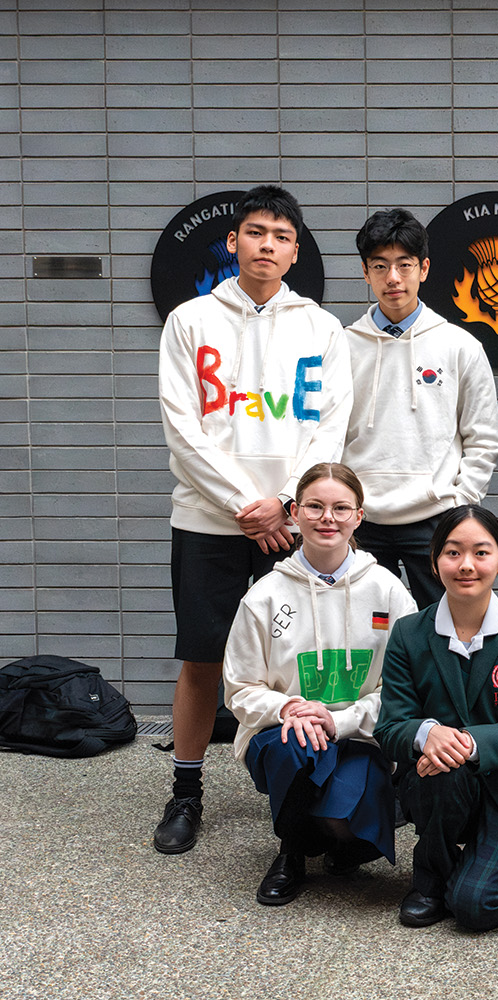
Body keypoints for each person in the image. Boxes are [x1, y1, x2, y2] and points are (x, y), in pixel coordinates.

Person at [154, 184, 353, 855]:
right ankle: (186, 793)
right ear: (234, 242)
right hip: (210, 522)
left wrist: (288, 508)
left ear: (296, 252)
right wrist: (249, 506)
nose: (267, 245)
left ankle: (301, 794)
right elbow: (183, 431)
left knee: (297, 662)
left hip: (292, 527)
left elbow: (330, 430)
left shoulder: (321, 329)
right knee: (203, 658)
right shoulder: (190, 322)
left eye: (281, 236)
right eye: (255, 232)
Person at [222, 463, 417, 905]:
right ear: (294, 512)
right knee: (299, 744)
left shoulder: (390, 593)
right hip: (284, 737)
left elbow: (403, 691)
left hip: (359, 737)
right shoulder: (264, 595)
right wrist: (289, 709)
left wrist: (338, 719)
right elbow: (239, 688)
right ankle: (290, 851)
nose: (327, 518)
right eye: (314, 506)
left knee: (350, 832)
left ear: (358, 517)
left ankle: (335, 835)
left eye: (340, 508)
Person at [373, 505, 498, 930]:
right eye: (453, 553)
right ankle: (430, 878)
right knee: (443, 768)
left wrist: (466, 742)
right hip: (437, 783)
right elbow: (390, 725)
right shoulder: (408, 632)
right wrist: (427, 734)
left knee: (475, 907)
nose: (467, 565)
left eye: (481, 552)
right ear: (435, 562)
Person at [343, 208, 498, 609]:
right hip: (363, 520)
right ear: (365, 272)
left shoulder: (458, 345)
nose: (392, 278)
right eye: (380, 266)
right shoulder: (342, 345)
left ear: (424, 268)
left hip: (435, 516)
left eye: (404, 265)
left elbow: (482, 436)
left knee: (444, 626)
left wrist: (460, 503)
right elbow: (328, 433)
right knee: (363, 630)